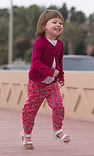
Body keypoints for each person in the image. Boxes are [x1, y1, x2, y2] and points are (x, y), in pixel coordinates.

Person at [21, 9, 70, 149]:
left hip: (52, 84)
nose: (58, 25)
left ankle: (57, 131)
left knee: (58, 106)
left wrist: (60, 75)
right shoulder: (39, 43)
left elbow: (59, 61)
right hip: (37, 83)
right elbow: (35, 62)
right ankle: (26, 134)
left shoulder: (60, 45)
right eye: (54, 22)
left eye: (60, 23)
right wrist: (49, 71)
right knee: (30, 110)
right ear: (43, 26)